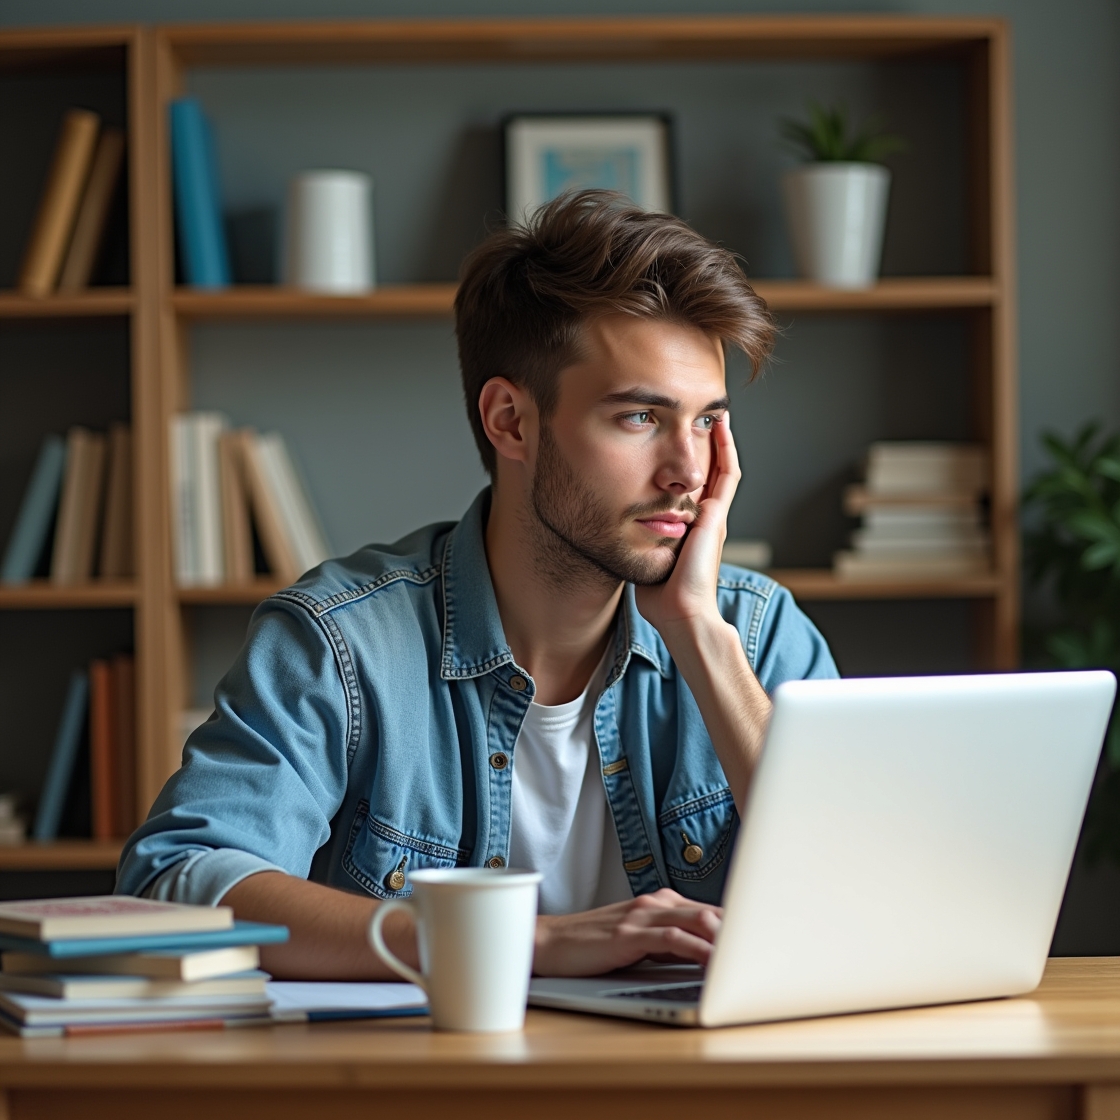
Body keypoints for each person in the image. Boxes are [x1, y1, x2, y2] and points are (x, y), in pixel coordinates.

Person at [117, 191, 837, 979]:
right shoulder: (342, 645)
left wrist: (699, 633)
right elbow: (177, 886)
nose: (689, 473)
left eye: (706, 421)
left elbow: (865, 893)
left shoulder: (756, 635)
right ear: (511, 421)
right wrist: (524, 945)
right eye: (640, 418)